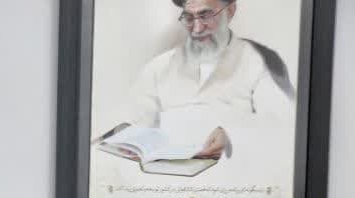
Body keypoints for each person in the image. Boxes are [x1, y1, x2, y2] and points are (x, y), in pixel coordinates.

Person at [109, 0, 295, 161]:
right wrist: (127, 140)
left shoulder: (259, 62)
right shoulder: (158, 67)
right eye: (189, 18)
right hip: (167, 182)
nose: (197, 29)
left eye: (206, 16)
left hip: (238, 182)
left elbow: (284, 127)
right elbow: (135, 121)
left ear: (230, 11)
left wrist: (232, 134)